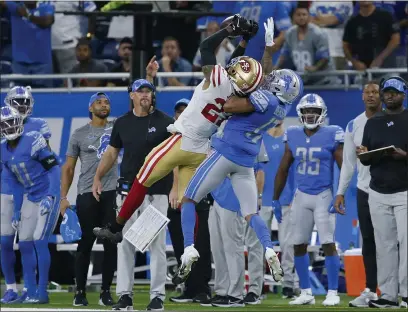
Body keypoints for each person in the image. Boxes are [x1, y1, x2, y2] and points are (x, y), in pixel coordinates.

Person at [93, 15, 261, 243]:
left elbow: (205, 46)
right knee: (188, 201)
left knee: (142, 178)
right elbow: (233, 71)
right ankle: (192, 249)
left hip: (184, 139)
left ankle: (115, 227)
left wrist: (228, 31)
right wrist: (243, 42)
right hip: (202, 150)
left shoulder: (218, 78)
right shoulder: (240, 98)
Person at [174, 68, 303, 286]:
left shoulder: (267, 100)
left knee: (188, 199)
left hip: (226, 152)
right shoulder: (283, 108)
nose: (269, 80)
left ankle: (188, 248)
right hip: (246, 161)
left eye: (274, 80)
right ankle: (269, 249)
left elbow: (229, 105)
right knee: (251, 214)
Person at [91, 57, 175, 310]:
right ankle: (125, 295)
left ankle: (157, 296)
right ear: (132, 96)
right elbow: (112, 153)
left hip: (157, 190)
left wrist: (176, 186)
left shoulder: (165, 121)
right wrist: (97, 176)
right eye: (140, 92)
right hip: (127, 190)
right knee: (125, 242)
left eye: (148, 91)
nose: (145, 95)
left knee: (157, 245)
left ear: (152, 95)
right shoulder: (123, 122)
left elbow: (176, 155)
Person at [273, 94, 344, 306]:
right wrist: (275, 198)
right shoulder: (292, 134)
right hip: (300, 195)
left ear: (322, 113)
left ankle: (332, 292)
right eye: (306, 111)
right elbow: (283, 168)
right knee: (298, 244)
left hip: (324, 194)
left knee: (328, 243)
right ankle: (305, 292)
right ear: (301, 113)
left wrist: (340, 193)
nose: (310, 115)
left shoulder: (333, 133)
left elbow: (344, 167)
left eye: (314, 111)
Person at [60, 92, 117, 307]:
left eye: (107, 102)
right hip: (86, 193)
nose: (104, 105)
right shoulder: (79, 134)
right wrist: (64, 197)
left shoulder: (117, 128)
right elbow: (68, 167)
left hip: (111, 191)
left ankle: (105, 293)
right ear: (90, 108)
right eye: (99, 102)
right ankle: (80, 293)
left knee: (111, 243)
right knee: (85, 244)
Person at [0, 106, 61, 304]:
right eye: (4, 125)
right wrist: (17, 208)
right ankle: (30, 290)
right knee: (24, 243)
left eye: (12, 123)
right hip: (29, 195)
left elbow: (53, 169)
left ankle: (42, 292)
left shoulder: (32, 139)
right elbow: (15, 181)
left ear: (20, 124)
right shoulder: (2, 149)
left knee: (39, 240)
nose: (9, 129)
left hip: (45, 193)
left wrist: (51, 196)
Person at [357, 76, 408, 309]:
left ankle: (406, 294)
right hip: (377, 191)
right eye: (386, 92)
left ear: (403, 94)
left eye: (394, 92)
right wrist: (364, 154)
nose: (389, 95)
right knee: (384, 245)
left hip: (405, 191)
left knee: (406, 245)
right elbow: (367, 158)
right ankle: (388, 295)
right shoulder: (373, 123)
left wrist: (403, 156)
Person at [333, 81, 382, 307]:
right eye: (368, 92)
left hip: (394, 190)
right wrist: (340, 192)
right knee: (369, 242)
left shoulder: (393, 122)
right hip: (365, 190)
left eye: (375, 92)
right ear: (362, 96)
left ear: (382, 96)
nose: (371, 96)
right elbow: (348, 165)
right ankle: (371, 290)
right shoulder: (353, 125)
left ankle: (401, 292)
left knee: (398, 242)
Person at [208, 143, 268, 308]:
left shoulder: (250, 135)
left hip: (236, 198)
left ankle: (237, 294)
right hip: (217, 197)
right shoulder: (215, 135)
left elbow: (260, 170)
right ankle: (222, 291)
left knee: (234, 247)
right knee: (218, 248)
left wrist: (256, 197)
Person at [244, 121, 297, 304]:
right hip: (261, 200)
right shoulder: (259, 138)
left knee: (287, 243)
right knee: (258, 245)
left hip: (285, 199)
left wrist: (292, 195)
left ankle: (289, 284)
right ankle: (259, 287)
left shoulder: (289, 139)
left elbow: (293, 170)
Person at [167, 98, 212, 305]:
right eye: (179, 111)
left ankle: (202, 289)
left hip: (196, 197)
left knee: (200, 243)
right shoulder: (172, 137)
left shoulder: (202, 135)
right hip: (177, 198)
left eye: (185, 110)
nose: (181, 114)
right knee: (180, 244)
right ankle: (189, 288)